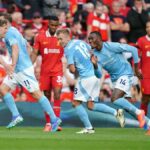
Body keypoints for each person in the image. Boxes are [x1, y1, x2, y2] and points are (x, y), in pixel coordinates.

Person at [56, 28, 125, 134]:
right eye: (58, 39)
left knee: (75, 103)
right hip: (96, 75)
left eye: (60, 39)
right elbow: (93, 52)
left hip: (86, 78)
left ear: (67, 37)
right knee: (91, 105)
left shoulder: (68, 49)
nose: (59, 42)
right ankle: (116, 112)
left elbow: (72, 69)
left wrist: (66, 66)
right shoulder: (80, 42)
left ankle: (89, 128)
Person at [0, 19, 61, 131]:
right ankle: (16, 115)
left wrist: (13, 64)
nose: (3, 32)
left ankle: (54, 119)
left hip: (22, 69)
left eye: (3, 28)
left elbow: (15, 48)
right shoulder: (14, 30)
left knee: (36, 94)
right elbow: (27, 46)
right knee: (3, 89)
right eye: (3, 29)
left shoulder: (9, 34)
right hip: (19, 68)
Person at [88, 31, 146, 129]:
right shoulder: (95, 55)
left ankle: (139, 112)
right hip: (115, 80)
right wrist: (95, 65)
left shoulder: (111, 46)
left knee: (114, 98)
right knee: (128, 108)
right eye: (88, 39)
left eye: (91, 38)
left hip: (126, 74)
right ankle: (148, 124)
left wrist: (136, 69)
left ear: (99, 39)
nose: (89, 41)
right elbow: (98, 75)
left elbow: (133, 50)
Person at [31, 16, 63, 132]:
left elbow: (69, 49)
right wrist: (30, 67)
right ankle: (49, 123)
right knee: (47, 96)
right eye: (52, 25)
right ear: (48, 24)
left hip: (57, 70)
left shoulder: (62, 37)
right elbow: (35, 53)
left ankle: (57, 121)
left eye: (56, 25)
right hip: (45, 71)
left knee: (58, 93)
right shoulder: (40, 36)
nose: (54, 27)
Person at [137, 21, 150, 116]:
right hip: (145, 75)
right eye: (147, 27)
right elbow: (136, 56)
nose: (149, 28)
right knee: (146, 97)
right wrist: (137, 70)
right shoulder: (141, 40)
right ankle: (143, 122)